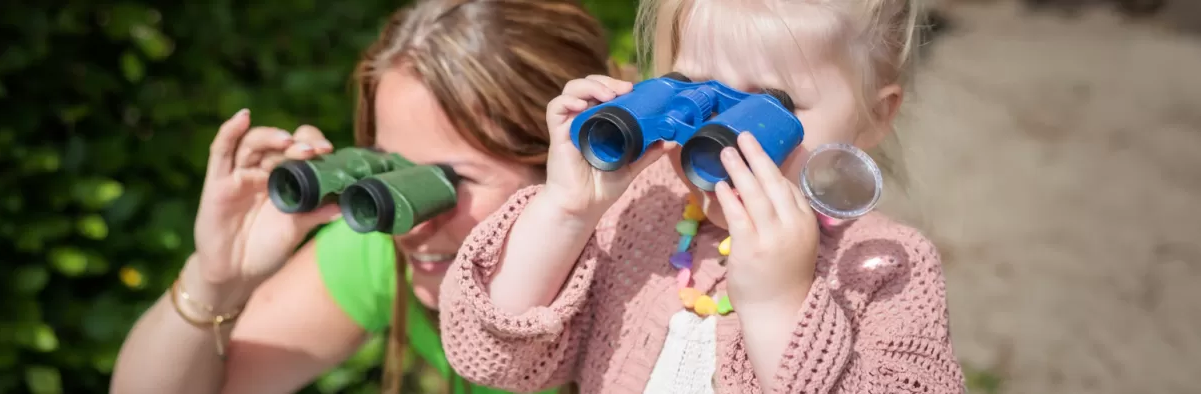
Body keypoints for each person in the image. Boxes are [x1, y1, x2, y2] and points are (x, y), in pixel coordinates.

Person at [436, 0, 965, 392]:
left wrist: (780, 305)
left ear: (876, 115)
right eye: (693, 86)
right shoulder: (642, 210)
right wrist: (567, 211)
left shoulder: (882, 266)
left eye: (773, 104)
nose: (719, 133)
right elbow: (491, 357)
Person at [110, 1, 616, 393]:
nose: (410, 225)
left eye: (445, 182)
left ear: (570, 161)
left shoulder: (645, 266)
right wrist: (218, 277)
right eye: (391, 172)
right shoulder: (381, 248)